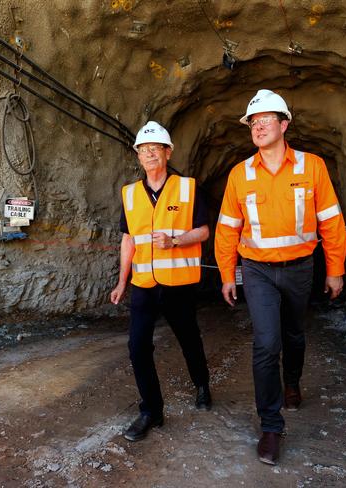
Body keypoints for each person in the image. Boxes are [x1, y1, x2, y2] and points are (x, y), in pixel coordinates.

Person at [214, 89, 346, 464]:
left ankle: (292, 381)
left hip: (300, 269)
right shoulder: (240, 174)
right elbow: (227, 229)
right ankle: (271, 427)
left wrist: (335, 269)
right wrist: (228, 274)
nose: (257, 126)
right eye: (253, 122)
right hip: (256, 270)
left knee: (293, 334)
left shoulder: (312, 166)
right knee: (266, 343)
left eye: (265, 120)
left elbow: (332, 223)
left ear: (284, 124)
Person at [110, 121, 212, 442]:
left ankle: (201, 383)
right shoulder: (130, 194)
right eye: (144, 150)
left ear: (168, 152)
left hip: (178, 283)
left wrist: (176, 240)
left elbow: (204, 231)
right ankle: (151, 411)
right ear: (138, 155)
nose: (149, 154)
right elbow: (129, 240)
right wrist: (121, 280)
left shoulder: (188, 188)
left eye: (155, 149)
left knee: (188, 338)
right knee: (137, 346)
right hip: (143, 283)